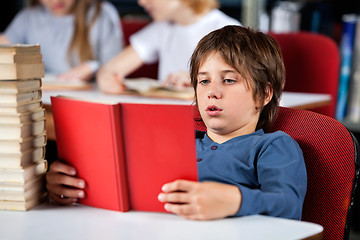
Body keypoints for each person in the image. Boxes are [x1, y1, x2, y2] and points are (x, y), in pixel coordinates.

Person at [157, 25, 307, 220]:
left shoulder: (272, 146)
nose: (212, 92)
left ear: (263, 94)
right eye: (204, 81)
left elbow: (288, 206)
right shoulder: (182, 142)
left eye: (228, 80)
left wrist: (234, 201)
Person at [96, 0, 241, 93]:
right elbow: (110, 70)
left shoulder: (228, 31)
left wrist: (200, 81)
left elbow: (237, 88)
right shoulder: (162, 28)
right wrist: (106, 78)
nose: (141, 2)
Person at [0, 0, 124, 82]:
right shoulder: (28, 17)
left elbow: (118, 66)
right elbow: (4, 47)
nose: (56, 1)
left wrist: (94, 67)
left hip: (91, 98)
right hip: (43, 99)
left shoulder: (102, 13)